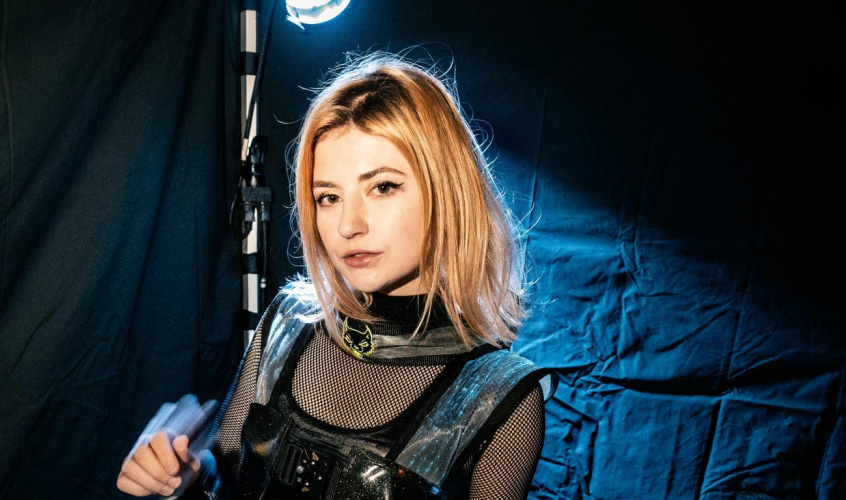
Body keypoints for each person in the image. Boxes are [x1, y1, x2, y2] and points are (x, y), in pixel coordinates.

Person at [116, 52, 558, 500]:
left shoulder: (498, 395)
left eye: (382, 187)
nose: (349, 226)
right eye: (328, 197)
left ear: (447, 191)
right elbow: (224, 482)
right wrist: (183, 477)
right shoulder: (289, 322)